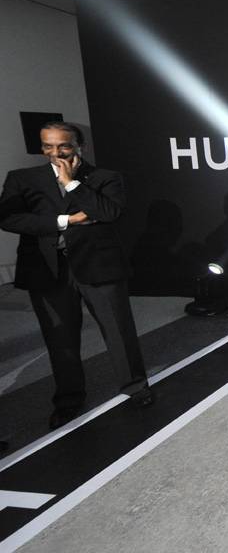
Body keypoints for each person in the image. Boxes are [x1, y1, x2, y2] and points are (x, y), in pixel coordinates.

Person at [0, 121, 153, 430]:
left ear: (78, 146)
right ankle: (68, 399)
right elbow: (9, 218)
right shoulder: (21, 179)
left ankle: (135, 387)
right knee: (60, 339)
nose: (55, 152)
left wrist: (71, 184)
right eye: (48, 146)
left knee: (118, 331)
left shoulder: (105, 177)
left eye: (63, 146)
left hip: (99, 265)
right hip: (47, 269)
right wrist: (64, 221)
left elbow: (108, 213)